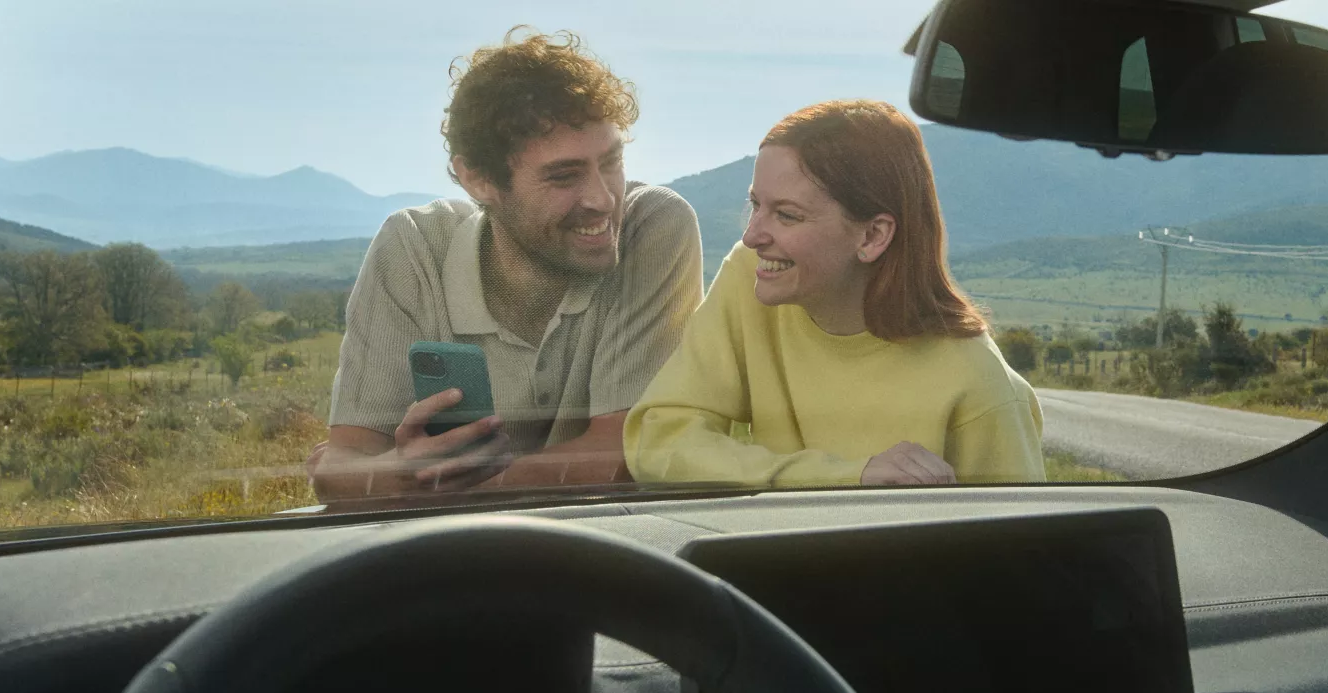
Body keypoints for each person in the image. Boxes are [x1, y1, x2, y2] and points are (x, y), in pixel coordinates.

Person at [311, 28, 701, 503]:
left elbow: (624, 454)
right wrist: (395, 471)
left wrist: (426, 486)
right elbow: (340, 467)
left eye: (611, 162)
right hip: (444, 559)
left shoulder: (652, 225)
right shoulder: (413, 246)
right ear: (477, 179)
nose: (603, 199)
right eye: (564, 175)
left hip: (601, 552)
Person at [624, 100, 1044, 487]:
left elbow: (1023, 555)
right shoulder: (751, 277)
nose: (752, 236)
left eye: (787, 215)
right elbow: (659, 442)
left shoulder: (979, 388)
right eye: (755, 205)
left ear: (872, 235)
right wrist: (846, 478)